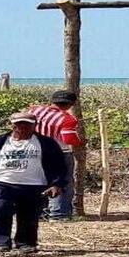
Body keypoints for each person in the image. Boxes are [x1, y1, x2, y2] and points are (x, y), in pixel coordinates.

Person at [0, 112, 67, 254]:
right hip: (1, 181)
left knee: (29, 214)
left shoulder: (46, 144)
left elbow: (58, 166)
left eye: (27, 123)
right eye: (18, 123)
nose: (22, 126)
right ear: (11, 124)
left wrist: (56, 184)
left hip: (33, 184)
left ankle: (26, 243)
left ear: (35, 125)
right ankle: (0, 242)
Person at [27, 90, 84, 220]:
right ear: (71, 104)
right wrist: (80, 141)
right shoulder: (67, 118)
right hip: (59, 153)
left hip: (34, 152)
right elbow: (69, 139)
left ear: (52, 101)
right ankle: (59, 214)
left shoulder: (34, 111)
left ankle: (38, 213)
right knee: (62, 183)